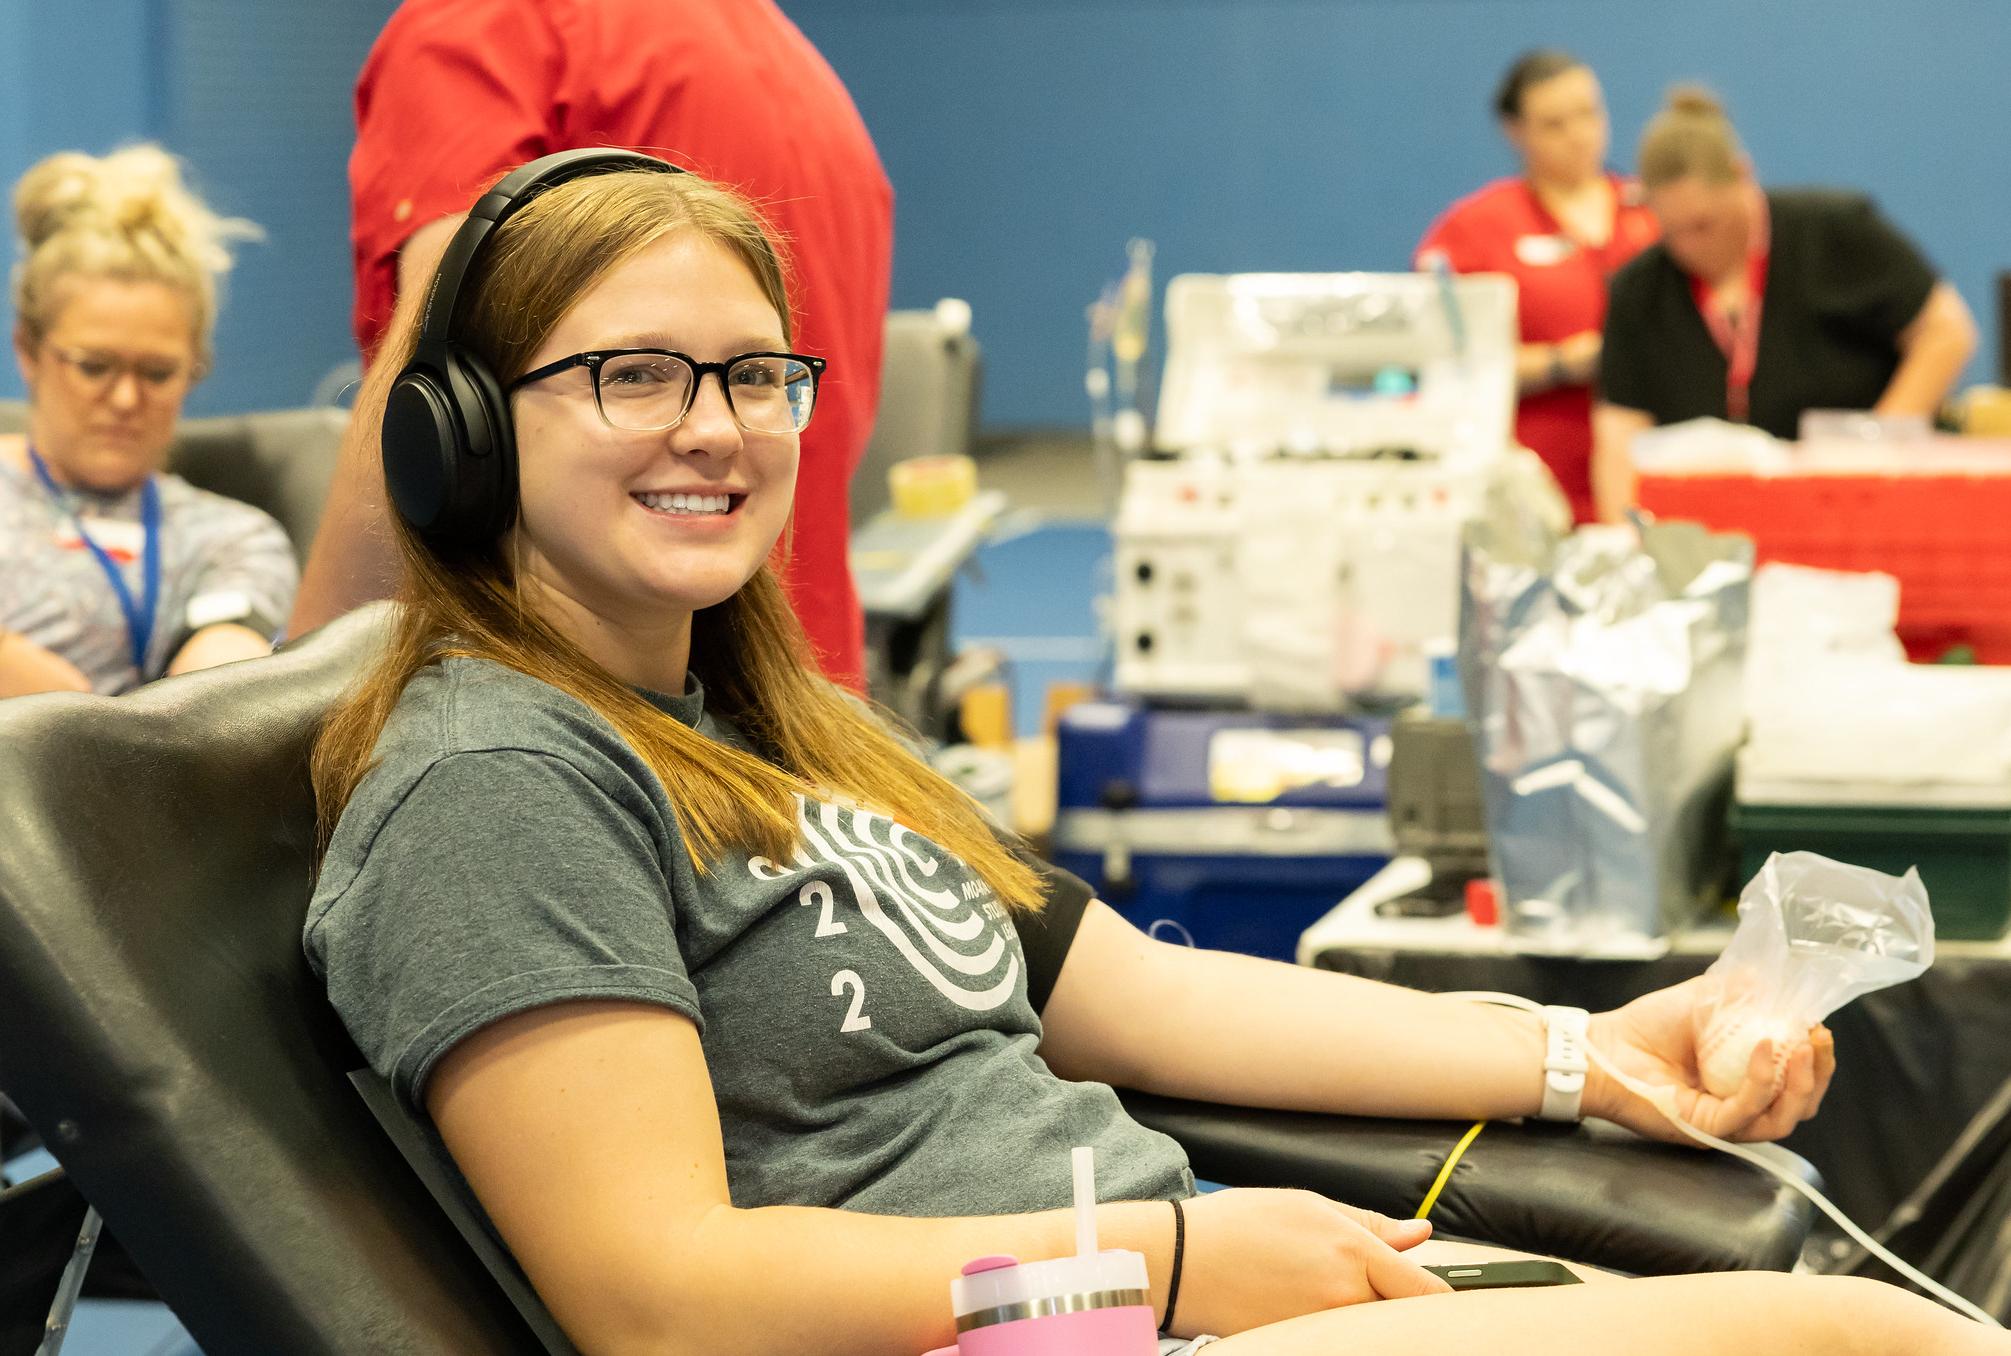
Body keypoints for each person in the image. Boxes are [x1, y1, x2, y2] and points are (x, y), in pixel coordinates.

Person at [304, 155, 2001, 1356]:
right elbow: (659, 1301)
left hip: (1139, 1294)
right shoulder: (496, 788)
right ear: (460, 432)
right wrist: (1165, 1260)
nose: (715, 423)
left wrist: (1595, 1051)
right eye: (630, 375)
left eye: (756, 374)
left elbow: (1163, 998)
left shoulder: (772, 730)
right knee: (1875, 1345)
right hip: (1089, 1323)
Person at [287, 0, 893, 689]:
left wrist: (299, 710)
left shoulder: (484, 25)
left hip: (587, 706)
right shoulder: (790, 60)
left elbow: (427, 373)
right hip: (794, 687)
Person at [1593, 87, 1978, 521]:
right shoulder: (1639, 291)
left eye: (1704, 225)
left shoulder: (1834, 231)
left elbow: (1947, 332)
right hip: (1725, 523)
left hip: (1868, 505)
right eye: (1672, 230)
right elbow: (1619, 440)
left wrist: (1875, 446)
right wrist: (1624, 536)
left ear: (1743, 175)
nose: (1688, 247)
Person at [0, 145, 297, 698]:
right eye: (94, 367)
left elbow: (210, 712)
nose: (125, 398)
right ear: (29, 351)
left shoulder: (229, 540)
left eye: (158, 373)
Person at [1416, 50, 1659, 523]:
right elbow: (1442, 363)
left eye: (1588, 114)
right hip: (1533, 492)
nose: (1579, 136)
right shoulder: (1476, 229)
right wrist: (1560, 363)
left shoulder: (1652, 214)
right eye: (1554, 124)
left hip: (1646, 478)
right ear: (1515, 132)